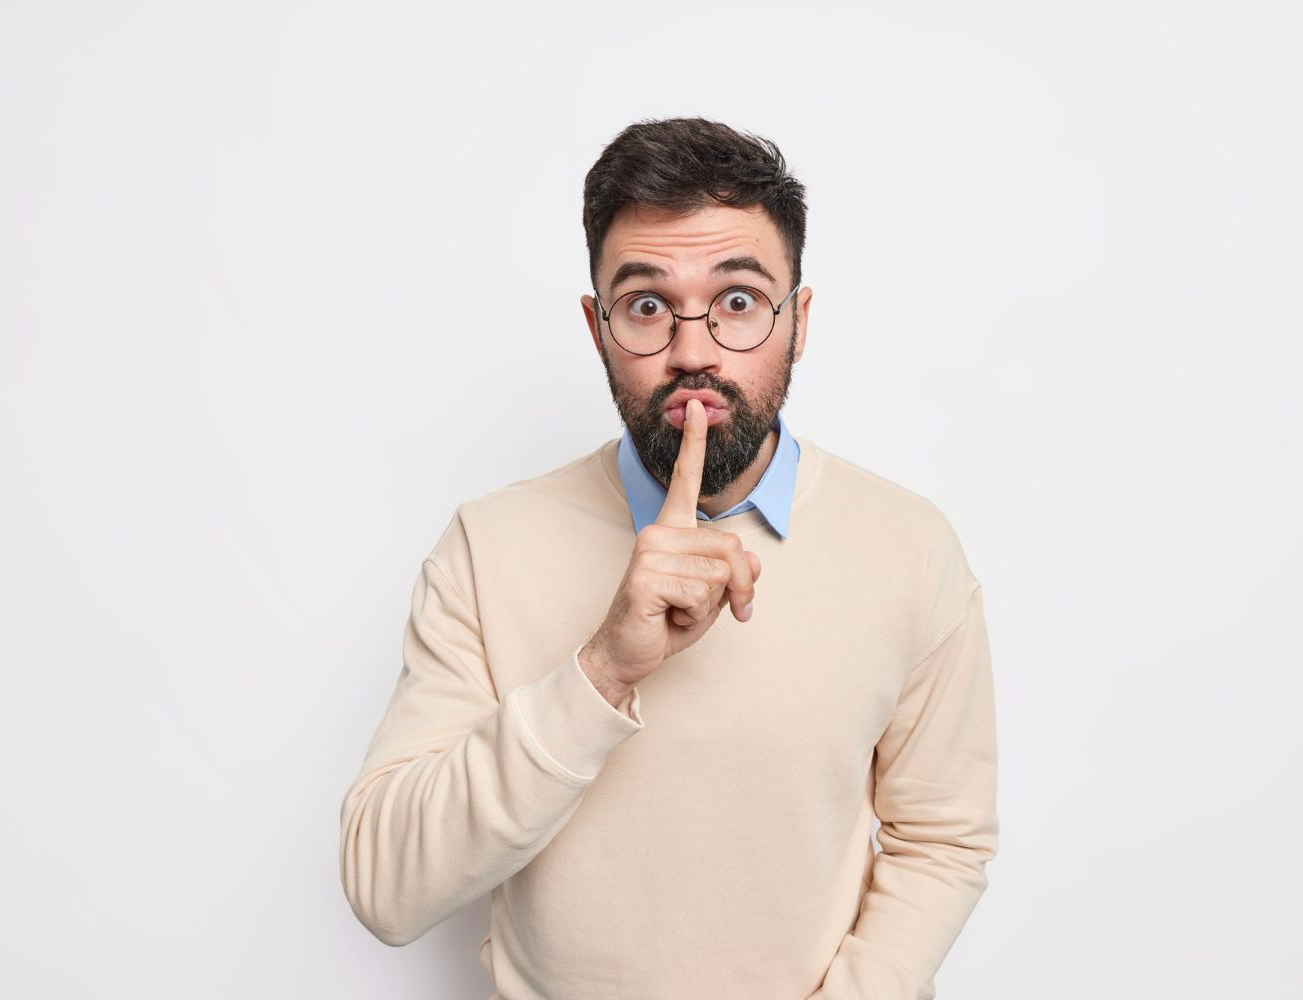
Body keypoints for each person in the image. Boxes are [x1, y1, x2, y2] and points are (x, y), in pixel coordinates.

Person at [339, 117, 999, 1000]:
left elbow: (942, 839)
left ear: (798, 322)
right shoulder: (487, 546)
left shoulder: (910, 548)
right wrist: (602, 670)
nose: (694, 353)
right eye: (647, 306)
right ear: (597, 327)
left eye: (738, 302)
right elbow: (386, 890)